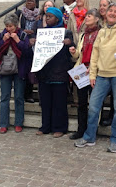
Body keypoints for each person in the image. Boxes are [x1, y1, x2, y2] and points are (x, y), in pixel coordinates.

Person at [74, 3, 116, 153]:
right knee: (94, 107)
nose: (113, 13)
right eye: (110, 11)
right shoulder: (101, 32)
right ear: (106, 14)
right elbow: (95, 55)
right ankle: (89, 136)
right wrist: (93, 74)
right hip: (102, 76)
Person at [35, 7, 74, 138]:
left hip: (59, 73)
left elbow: (72, 53)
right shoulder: (42, 33)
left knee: (59, 103)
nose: (47, 18)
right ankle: (45, 126)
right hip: (45, 73)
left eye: (50, 16)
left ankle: (60, 127)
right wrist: (32, 44)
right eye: (46, 16)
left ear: (57, 18)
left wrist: (69, 44)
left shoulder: (66, 33)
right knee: (45, 102)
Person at [0, 13, 34, 134]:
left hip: (19, 69)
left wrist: (17, 41)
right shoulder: (2, 35)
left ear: (16, 25)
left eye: (11, 26)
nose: (9, 28)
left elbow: (28, 53)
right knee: (4, 97)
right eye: (7, 26)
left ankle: (18, 123)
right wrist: (3, 41)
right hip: (5, 69)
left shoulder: (22, 35)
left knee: (19, 97)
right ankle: (3, 124)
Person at [68, 9, 101, 140]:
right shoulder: (83, 35)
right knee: (81, 103)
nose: (86, 18)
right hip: (82, 71)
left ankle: (92, 130)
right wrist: (74, 51)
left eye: (89, 16)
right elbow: (78, 55)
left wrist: (94, 67)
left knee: (94, 104)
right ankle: (81, 129)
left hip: (94, 72)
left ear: (97, 18)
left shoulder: (101, 33)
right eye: (86, 16)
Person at [15, 0, 40, 103]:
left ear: (35, 3)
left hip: (35, 44)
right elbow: (13, 25)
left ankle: (29, 94)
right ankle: (22, 93)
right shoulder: (20, 14)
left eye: (31, 1)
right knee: (24, 69)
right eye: (27, 1)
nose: (29, 2)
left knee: (31, 70)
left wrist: (33, 33)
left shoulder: (40, 15)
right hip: (23, 44)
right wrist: (23, 31)